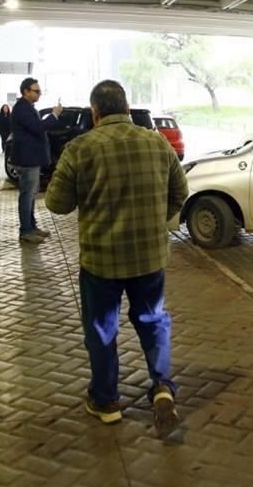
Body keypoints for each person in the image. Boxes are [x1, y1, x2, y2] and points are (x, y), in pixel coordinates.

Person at [45, 79, 188, 437]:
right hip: (149, 257)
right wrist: (156, 221)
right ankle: (161, 387)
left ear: (95, 113)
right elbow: (180, 192)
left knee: (101, 329)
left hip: (101, 260)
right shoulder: (155, 142)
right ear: (127, 109)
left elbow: (57, 204)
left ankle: (107, 400)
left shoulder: (80, 148)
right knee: (153, 321)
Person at [10, 77, 62, 244]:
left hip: (30, 158)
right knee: (27, 195)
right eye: (36, 91)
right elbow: (38, 127)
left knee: (30, 194)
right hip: (27, 160)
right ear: (26, 91)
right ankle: (26, 230)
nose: (39, 94)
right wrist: (54, 115)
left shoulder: (27, 107)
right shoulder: (22, 109)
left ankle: (31, 227)